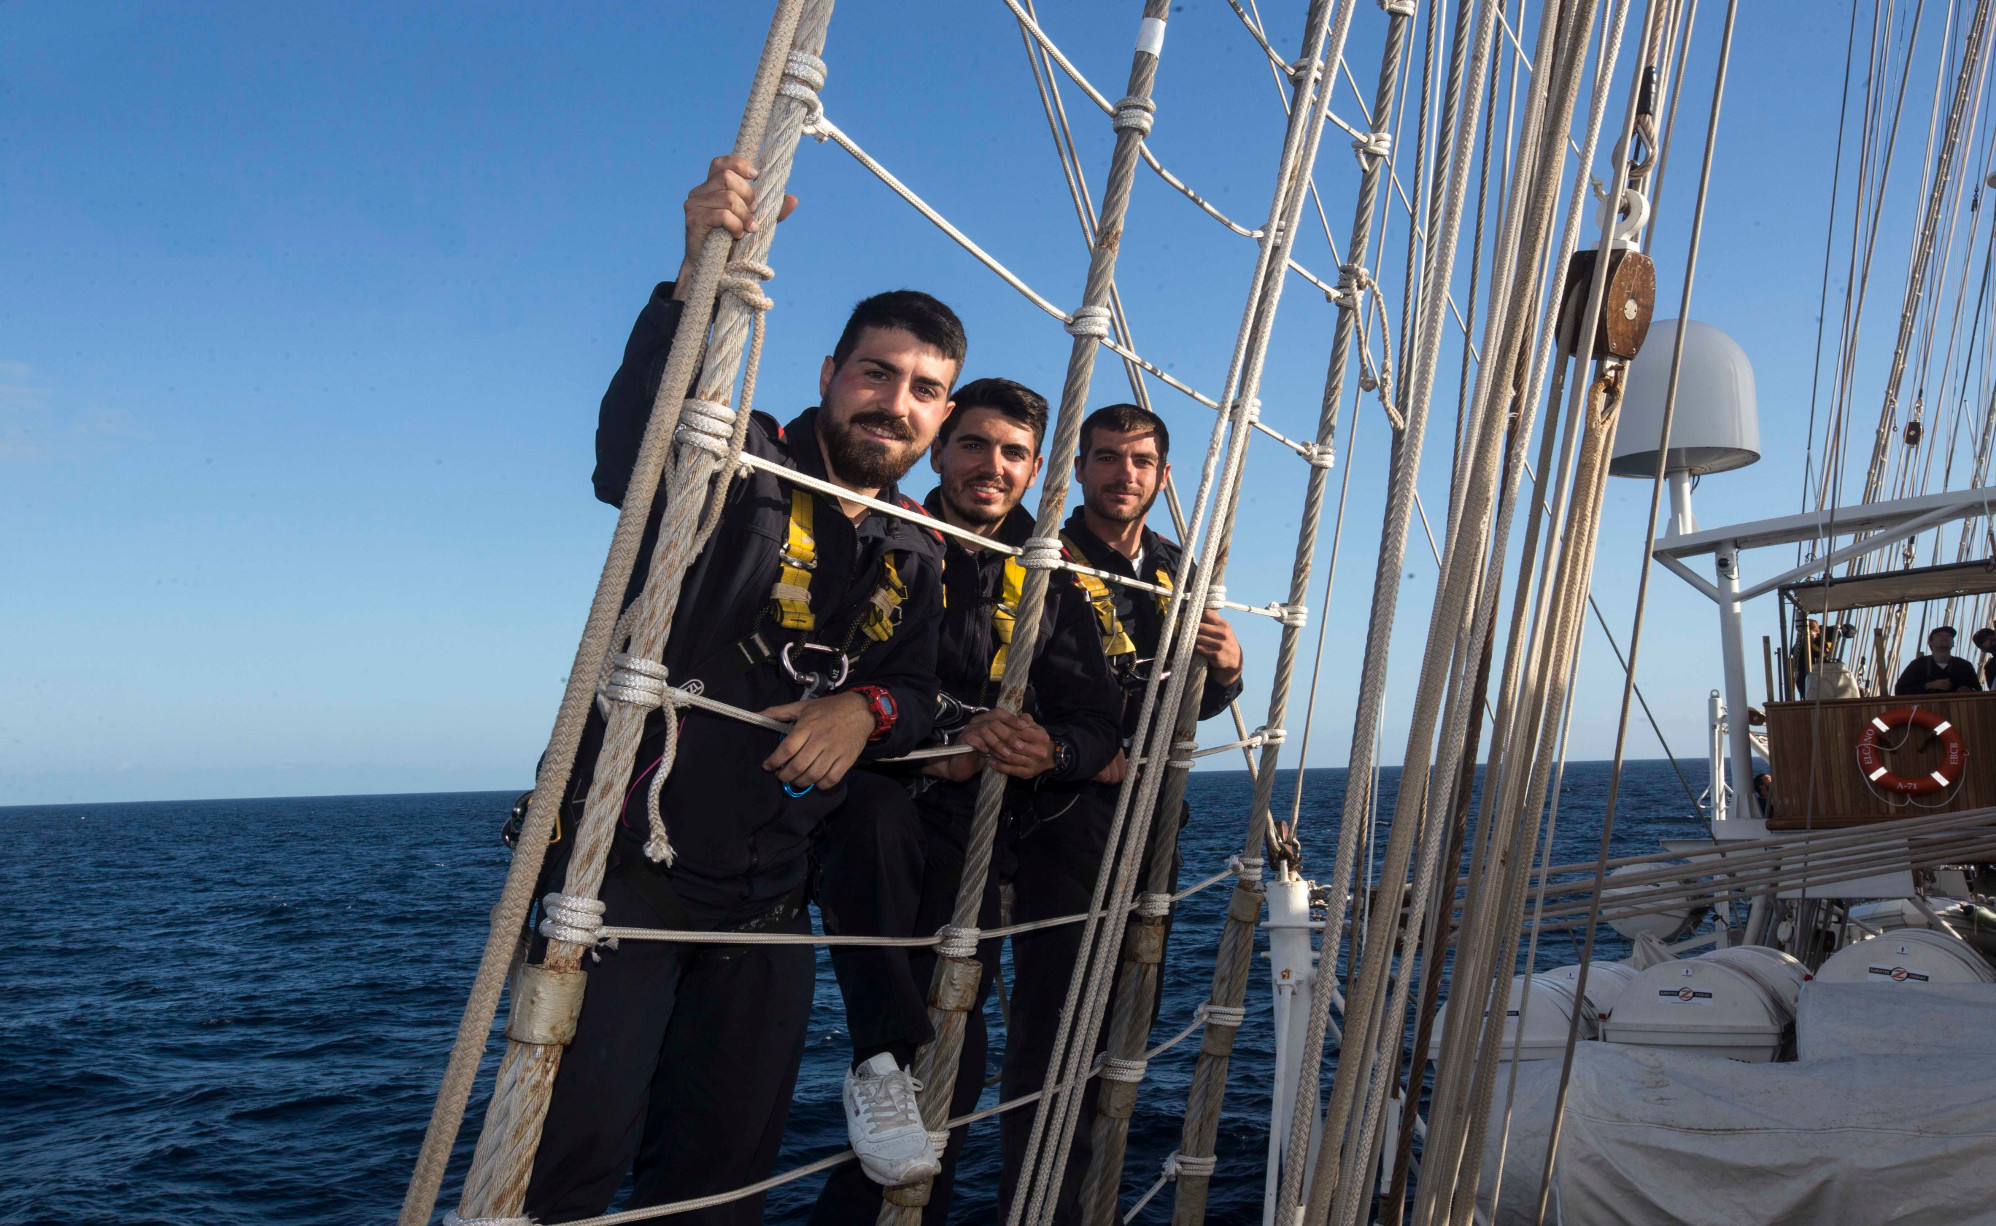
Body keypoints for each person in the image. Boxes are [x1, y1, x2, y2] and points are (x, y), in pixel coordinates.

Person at [521, 155, 961, 1224]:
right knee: (568, 1171)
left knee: (718, 1187)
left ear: (939, 416)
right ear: (826, 371)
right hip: (627, 874)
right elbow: (629, 460)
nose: (893, 403)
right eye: (875, 373)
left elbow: (921, 690)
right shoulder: (743, 459)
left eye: (921, 389)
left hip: (769, 901)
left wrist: (867, 710)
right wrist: (693, 276)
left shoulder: (918, 545)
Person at [811, 378, 1124, 1223]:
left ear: (1034, 471)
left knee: (957, 1053)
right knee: (907, 1046)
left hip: (978, 833)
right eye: (976, 445)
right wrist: (954, 735)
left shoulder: (1052, 583)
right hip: (871, 808)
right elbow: (833, 671)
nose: (993, 465)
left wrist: (1048, 750)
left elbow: (1098, 721)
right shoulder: (885, 541)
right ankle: (878, 1066)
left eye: (1014, 452)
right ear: (942, 448)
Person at [998, 402, 1244, 1222]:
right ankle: (1043, 1205)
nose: (1123, 474)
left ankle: (1092, 1198)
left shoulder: (1177, 567)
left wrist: (1232, 670)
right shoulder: (1042, 558)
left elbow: (1187, 708)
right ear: (1081, 469)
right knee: (1053, 1026)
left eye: (1140, 461)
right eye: (1106, 458)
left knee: (1123, 1023)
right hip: (1061, 816)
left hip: (1151, 818)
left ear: (1162, 475)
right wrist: (1084, 744)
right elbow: (1039, 681)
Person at [1893, 625, 1981, 696]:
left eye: (1948, 636)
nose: (1944, 638)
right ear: (1930, 642)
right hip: (1925, 712)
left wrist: (1969, 690)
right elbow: (1900, 690)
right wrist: (1929, 686)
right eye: (1939, 635)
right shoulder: (1918, 664)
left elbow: (1978, 690)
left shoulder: (1964, 665)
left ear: (1953, 643)